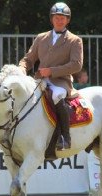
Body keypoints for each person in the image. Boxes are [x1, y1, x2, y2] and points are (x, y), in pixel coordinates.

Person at [19, 2, 83, 150]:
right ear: (51, 19)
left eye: (62, 18)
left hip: (60, 81)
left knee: (57, 96)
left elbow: (76, 65)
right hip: (39, 79)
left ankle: (65, 137)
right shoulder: (41, 38)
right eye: (56, 17)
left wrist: (52, 71)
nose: (59, 20)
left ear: (67, 20)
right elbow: (28, 59)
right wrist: (21, 69)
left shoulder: (75, 40)